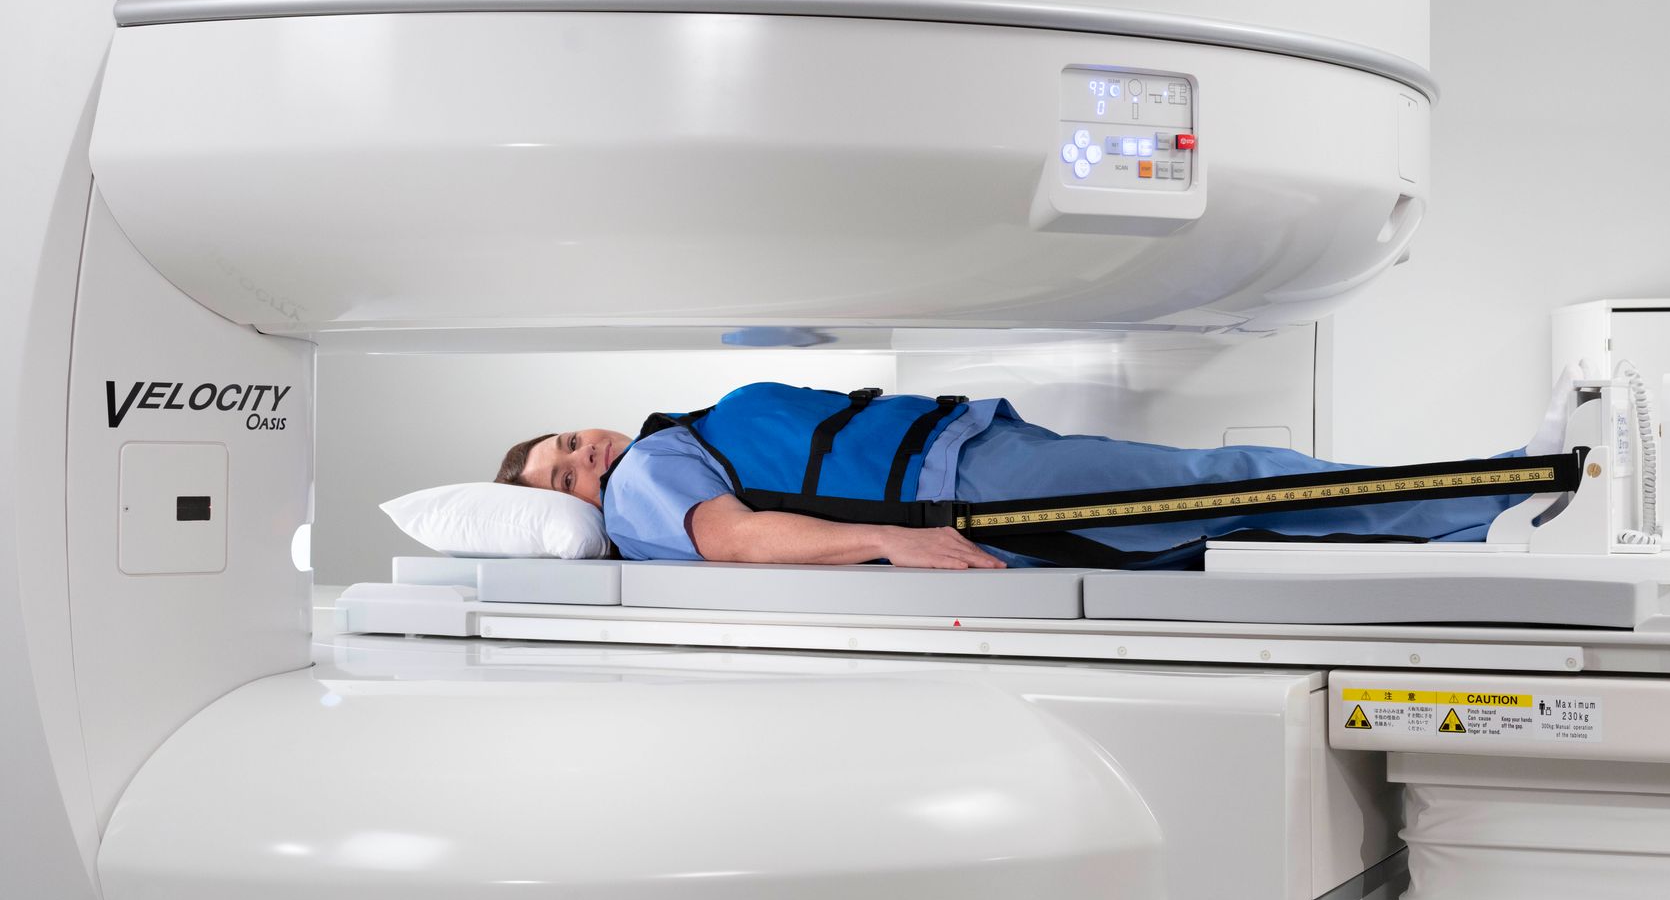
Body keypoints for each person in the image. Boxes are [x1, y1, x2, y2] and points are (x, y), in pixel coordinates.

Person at [497, 380, 1573, 571]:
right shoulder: (645, 482)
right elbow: (732, 538)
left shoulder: (656, 442)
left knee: (1232, 510)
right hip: (974, 488)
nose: (585, 456)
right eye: (563, 478)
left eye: (570, 441)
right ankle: (1518, 490)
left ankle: (1492, 518)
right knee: (1237, 485)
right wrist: (892, 538)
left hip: (974, 465)